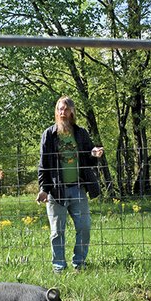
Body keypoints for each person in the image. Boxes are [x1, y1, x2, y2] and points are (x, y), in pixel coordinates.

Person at [37, 96, 104, 273]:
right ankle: (59, 267)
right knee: (57, 232)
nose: (62, 113)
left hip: (78, 189)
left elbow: (88, 156)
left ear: (72, 112)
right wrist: (44, 189)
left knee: (84, 227)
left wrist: (94, 153)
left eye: (66, 109)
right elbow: (43, 164)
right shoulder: (49, 135)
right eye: (60, 109)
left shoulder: (80, 133)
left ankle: (79, 263)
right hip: (56, 191)